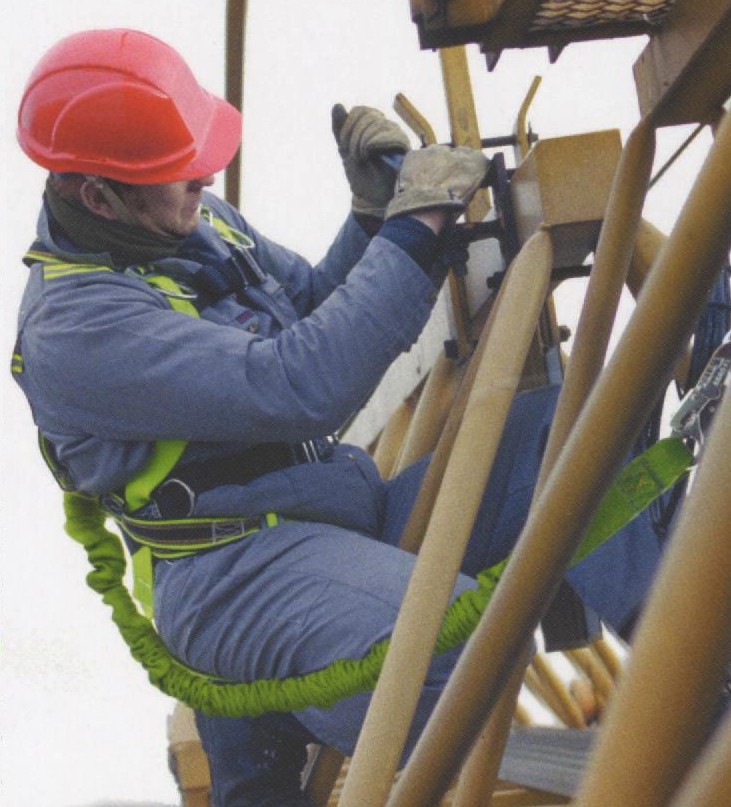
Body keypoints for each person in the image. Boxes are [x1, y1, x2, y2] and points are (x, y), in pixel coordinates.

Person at [13, 29, 662, 807]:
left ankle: (693, 676)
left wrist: (371, 215)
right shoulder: (76, 330)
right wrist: (412, 227)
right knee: (443, 640)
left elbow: (315, 314)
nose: (206, 173)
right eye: (178, 170)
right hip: (233, 573)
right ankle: (281, 697)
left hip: (334, 515)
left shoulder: (191, 217)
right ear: (98, 196)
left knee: (575, 434)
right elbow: (299, 384)